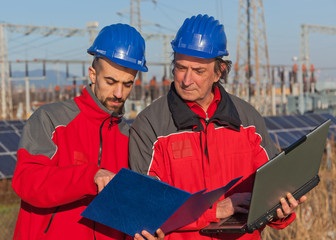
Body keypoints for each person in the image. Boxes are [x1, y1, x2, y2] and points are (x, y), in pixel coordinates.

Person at [129, 14, 306, 240]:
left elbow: (270, 190)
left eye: (199, 71)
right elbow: (144, 208)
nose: (186, 80)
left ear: (219, 71)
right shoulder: (150, 126)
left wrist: (281, 211)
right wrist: (214, 211)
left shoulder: (248, 120)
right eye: (181, 68)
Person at [12, 23, 164, 240]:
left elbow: (128, 209)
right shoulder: (51, 120)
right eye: (110, 81)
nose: (119, 93)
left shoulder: (129, 138)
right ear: (93, 74)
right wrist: (89, 175)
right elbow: (27, 181)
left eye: (127, 84)